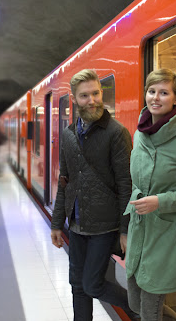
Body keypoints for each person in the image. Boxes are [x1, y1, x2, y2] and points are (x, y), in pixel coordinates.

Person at [124, 69, 176, 321]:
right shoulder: (140, 133)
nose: (156, 98)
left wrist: (160, 202)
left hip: (166, 235)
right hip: (139, 229)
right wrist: (125, 228)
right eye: (152, 91)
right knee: (136, 303)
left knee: (150, 308)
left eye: (164, 92)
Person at [50, 69, 135, 321]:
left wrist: (125, 229)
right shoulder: (68, 135)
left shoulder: (116, 133)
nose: (93, 100)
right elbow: (65, 181)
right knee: (77, 286)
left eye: (96, 93)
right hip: (77, 225)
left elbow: (125, 183)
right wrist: (57, 223)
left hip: (105, 226)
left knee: (93, 284)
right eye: (85, 95)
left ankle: (135, 307)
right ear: (75, 100)